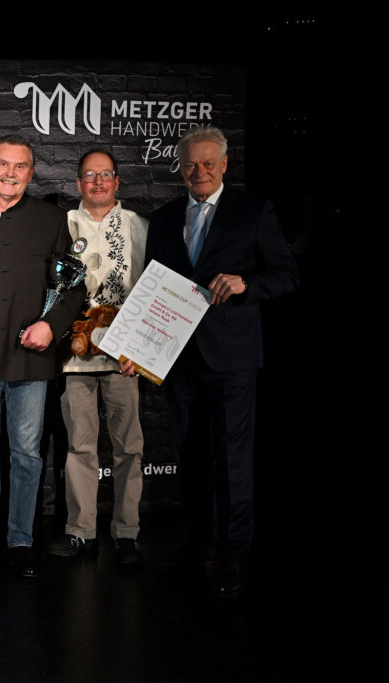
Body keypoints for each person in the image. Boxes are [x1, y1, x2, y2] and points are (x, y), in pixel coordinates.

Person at [146, 126, 298, 597]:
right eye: (192, 164)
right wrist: (139, 350)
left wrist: (246, 283)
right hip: (178, 359)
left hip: (232, 359)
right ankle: (201, 547)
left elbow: (287, 274)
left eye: (209, 163)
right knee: (190, 457)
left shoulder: (253, 212)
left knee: (233, 460)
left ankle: (233, 555)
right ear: (181, 167)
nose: (200, 172)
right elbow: (152, 291)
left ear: (225, 164)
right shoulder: (163, 218)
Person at [0, 134, 84, 578]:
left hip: (30, 354)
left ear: (31, 173)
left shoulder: (51, 219)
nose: (10, 173)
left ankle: (20, 539)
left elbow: (74, 286)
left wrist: (51, 325)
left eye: (20, 166)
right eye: (3, 164)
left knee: (28, 453)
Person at [47, 149, 147, 565]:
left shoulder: (138, 226)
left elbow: (152, 290)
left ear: (117, 181)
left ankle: (127, 534)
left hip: (125, 358)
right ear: (79, 183)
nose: (98, 182)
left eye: (106, 175)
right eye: (90, 175)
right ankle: (81, 532)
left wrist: (142, 350)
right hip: (76, 359)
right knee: (80, 446)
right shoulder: (63, 224)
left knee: (129, 447)